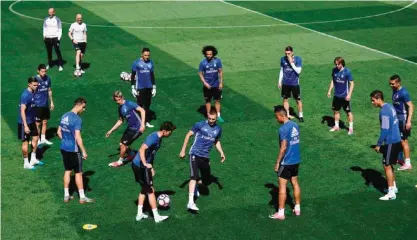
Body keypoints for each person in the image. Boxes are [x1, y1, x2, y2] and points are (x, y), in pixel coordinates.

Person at [179, 108, 226, 211]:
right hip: (194, 153)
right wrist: (183, 150)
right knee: (194, 177)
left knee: (206, 179)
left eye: (213, 119)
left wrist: (221, 153)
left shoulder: (218, 129)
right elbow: (188, 135)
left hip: (205, 157)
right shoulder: (199, 125)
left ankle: (196, 186)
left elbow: (216, 141)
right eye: (209, 118)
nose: (211, 121)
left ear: (216, 118)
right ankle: (190, 202)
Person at [132, 122, 176, 223]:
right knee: (150, 190)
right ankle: (156, 217)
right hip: (140, 166)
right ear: (165, 131)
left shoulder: (159, 138)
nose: (171, 133)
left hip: (140, 165)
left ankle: (139, 214)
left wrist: (151, 167)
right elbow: (142, 149)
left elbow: (151, 154)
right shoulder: (154, 137)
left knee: (144, 188)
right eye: (170, 132)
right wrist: (145, 164)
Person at [57, 97, 94, 203]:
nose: (84, 109)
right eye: (83, 107)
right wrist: (84, 151)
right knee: (78, 173)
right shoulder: (77, 119)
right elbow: (78, 137)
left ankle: (66, 195)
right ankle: (82, 197)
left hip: (63, 147)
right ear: (79, 105)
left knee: (67, 171)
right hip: (74, 150)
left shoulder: (64, 115)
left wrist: (65, 139)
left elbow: (59, 132)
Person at [269, 105, 301, 220]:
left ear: (282, 116)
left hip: (286, 161)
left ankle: (281, 213)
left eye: (277, 117)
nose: (276, 119)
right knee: (295, 183)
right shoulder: (295, 125)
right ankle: (297, 209)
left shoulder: (283, 129)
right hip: (296, 160)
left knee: (282, 186)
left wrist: (278, 162)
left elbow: (283, 147)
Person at [370, 90, 401, 201]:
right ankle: (394, 187)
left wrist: (378, 144)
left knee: (386, 165)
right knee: (389, 164)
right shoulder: (389, 106)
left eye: (373, 100)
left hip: (391, 141)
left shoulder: (384, 112)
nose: (372, 103)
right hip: (397, 140)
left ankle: (391, 192)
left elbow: (385, 129)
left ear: (378, 98)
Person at [106, 91, 146, 167]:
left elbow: (142, 110)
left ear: (122, 97)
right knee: (121, 144)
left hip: (137, 128)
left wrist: (143, 125)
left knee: (123, 145)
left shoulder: (129, 104)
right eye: (116, 100)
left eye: (119, 99)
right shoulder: (120, 108)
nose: (118, 102)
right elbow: (120, 121)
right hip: (130, 128)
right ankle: (132, 155)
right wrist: (110, 131)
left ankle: (120, 161)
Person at [389, 74, 414, 171]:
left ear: (398, 83)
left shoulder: (404, 93)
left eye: (392, 84)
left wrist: (408, 121)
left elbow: (411, 106)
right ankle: (399, 158)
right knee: (397, 138)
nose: (391, 86)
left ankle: (408, 163)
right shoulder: (395, 90)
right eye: (390, 84)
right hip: (397, 118)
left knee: (404, 141)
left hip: (403, 119)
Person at [18, 77, 43, 170]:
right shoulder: (25, 95)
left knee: (36, 137)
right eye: (34, 85)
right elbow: (22, 111)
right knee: (25, 142)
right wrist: (25, 126)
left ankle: (33, 159)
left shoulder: (33, 92)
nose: (36, 86)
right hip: (24, 123)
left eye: (37, 85)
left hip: (32, 121)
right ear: (29, 84)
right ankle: (26, 163)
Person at [327, 57, 355, 135]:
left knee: (348, 112)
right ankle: (336, 126)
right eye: (335, 64)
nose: (336, 66)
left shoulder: (347, 71)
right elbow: (333, 80)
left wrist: (349, 94)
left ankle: (351, 128)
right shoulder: (334, 70)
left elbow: (352, 83)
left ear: (341, 63)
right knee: (336, 111)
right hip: (336, 95)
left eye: (338, 64)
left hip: (345, 96)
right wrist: (329, 90)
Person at [131, 47, 156, 128]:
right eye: (145, 55)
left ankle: (146, 121)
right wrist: (132, 87)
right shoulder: (136, 63)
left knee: (148, 105)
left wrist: (154, 87)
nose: (147, 57)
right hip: (140, 87)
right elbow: (133, 75)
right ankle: (139, 122)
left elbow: (152, 75)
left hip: (149, 87)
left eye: (148, 55)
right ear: (142, 54)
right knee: (140, 105)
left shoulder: (151, 62)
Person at [199, 45, 224, 122]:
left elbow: (220, 72)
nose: (209, 56)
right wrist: (205, 83)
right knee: (208, 101)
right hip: (207, 86)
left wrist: (221, 82)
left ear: (213, 54)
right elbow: (200, 73)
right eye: (207, 54)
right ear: (205, 54)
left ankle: (218, 115)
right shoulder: (203, 63)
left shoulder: (217, 61)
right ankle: (209, 115)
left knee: (217, 100)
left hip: (216, 85)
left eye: (210, 54)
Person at [278, 46, 303, 122]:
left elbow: (298, 71)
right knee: (285, 99)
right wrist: (279, 81)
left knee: (298, 100)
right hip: (285, 83)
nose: (287, 55)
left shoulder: (298, 59)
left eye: (288, 53)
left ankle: (301, 116)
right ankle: (288, 115)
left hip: (294, 83)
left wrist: (291, 62)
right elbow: (282, 70)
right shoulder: (283, 59)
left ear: (292, 52)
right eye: (286, 53)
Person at [34, 64, 54, 146]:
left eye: (45, 71)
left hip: (45, 104)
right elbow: (32, 91)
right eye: (42, 71)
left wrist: (51, 102)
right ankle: (37, 139)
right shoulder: (35, 79)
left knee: (45, 122)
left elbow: (49, 90)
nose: (44, 73)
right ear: (38, 71)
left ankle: (43, 138)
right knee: (37, 123)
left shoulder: (48, 78)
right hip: (38, 105)